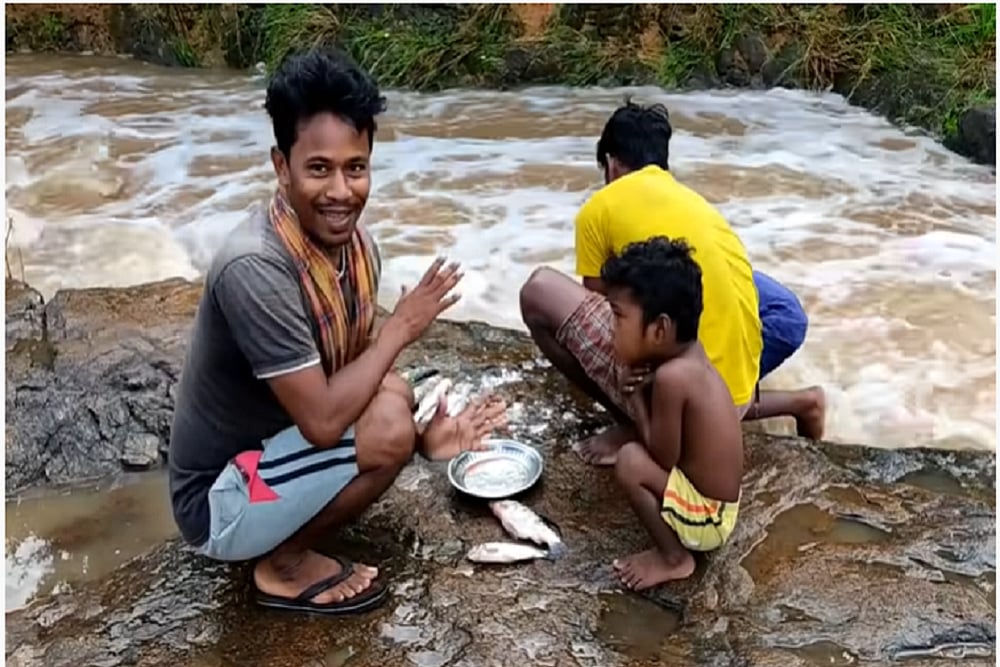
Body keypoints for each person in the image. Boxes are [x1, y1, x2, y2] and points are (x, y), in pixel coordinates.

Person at [167, 48, 507, 616]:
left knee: (397, 396)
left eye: (356, 167)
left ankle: (292, 525)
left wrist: (429, 440)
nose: (342, 191)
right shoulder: (256, 266)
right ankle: (283, 564)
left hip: (276, 449)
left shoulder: (356, 247)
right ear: (282, 167)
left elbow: (362, 378)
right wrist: (400, 327)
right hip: (219, 501)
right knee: (390, 423)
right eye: (319, 168)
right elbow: (325, 422)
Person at [519, 100, 824, 467]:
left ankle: (630, 421)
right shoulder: (695, 203)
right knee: (734, 293)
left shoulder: (599, 209)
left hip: (685, 408)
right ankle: (799, 400)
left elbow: (602, 307)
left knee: (539, 291)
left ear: (612, 165)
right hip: (729, 394)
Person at [602, 237, 743, 590]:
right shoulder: (691, 357)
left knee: (631, 461)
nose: (612, 328)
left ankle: (674, 559)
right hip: (722, 506)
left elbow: (662, 457)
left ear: (660, 329)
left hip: (709, 520)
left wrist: (632, 398)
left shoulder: (671, 377)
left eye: (618, 317)